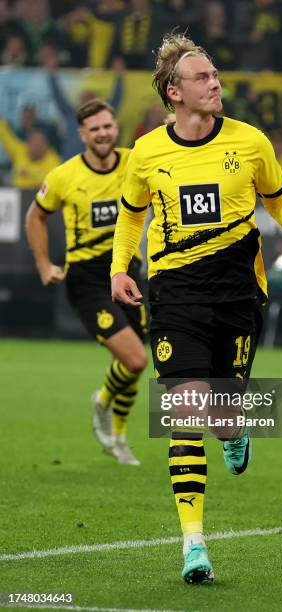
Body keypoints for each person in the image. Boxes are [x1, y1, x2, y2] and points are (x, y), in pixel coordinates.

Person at [110, 32, 282, 583]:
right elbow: (133, 214)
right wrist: (119, 268)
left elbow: (277, 194)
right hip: (175, 292)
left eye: (215, 75)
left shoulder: (250, 141)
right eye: (203, 78)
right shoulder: (146, 152)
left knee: (225, 417)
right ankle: (193, 544)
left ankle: (236, 434)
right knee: (185, 412)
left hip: (236, 292)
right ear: (173, 92)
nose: (216, 84)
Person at [25, 99, 148, 465]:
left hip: (128, 271)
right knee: (136, 359)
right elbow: (35, 217)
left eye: (107, 126)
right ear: (82, 134)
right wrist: (45, 264)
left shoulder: (134, 161)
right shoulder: (64, 176)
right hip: (88, 281)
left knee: (133, 364)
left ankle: (119, 437)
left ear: (116, 127)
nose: (102, 133)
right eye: (94, 129)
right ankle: (102, 404)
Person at [0, 118, 60, 188]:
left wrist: (29, 173)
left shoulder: (54, 159)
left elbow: (52, 180)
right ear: (28, 143)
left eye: (41, 143)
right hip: (16, 193)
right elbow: (6, 136)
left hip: (41, 195)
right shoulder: (19, 150)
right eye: (35, 143)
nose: (38, 147)